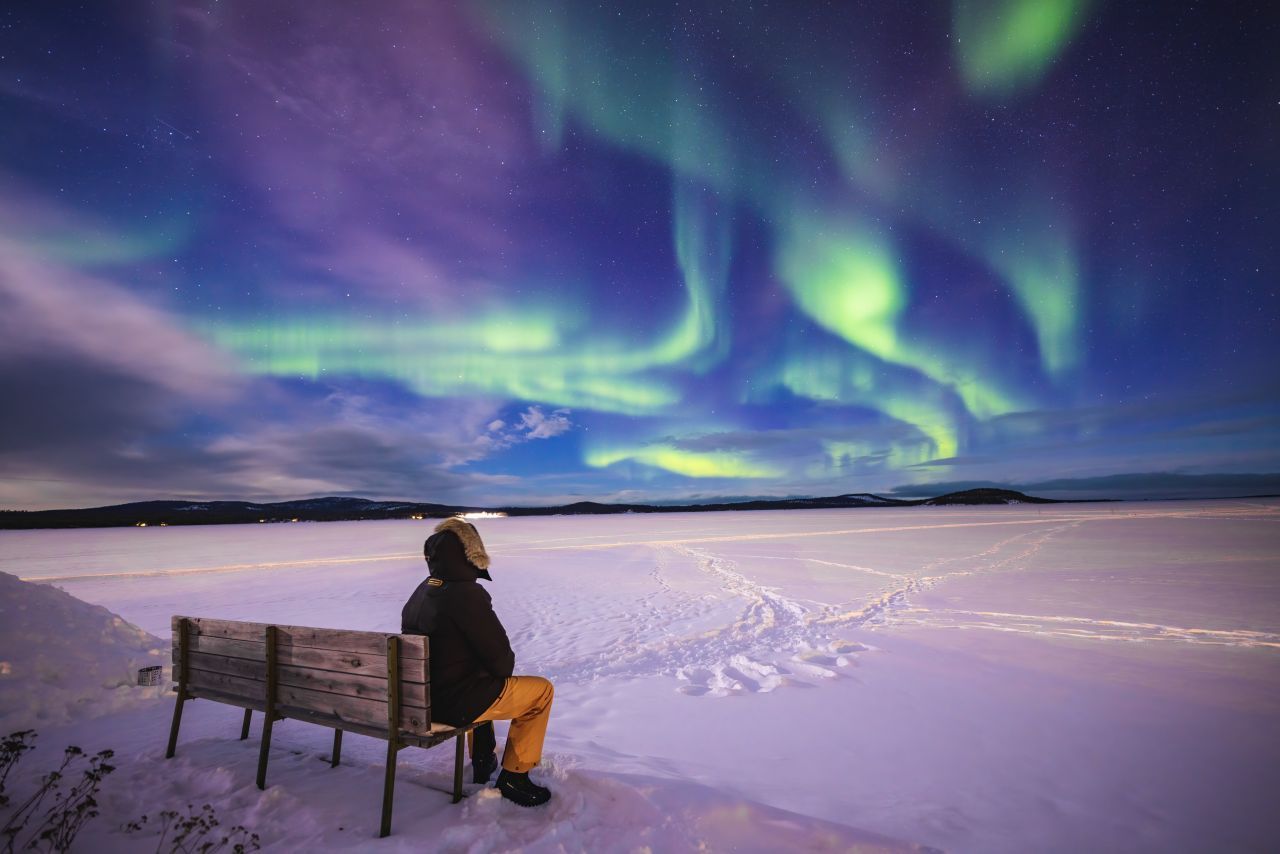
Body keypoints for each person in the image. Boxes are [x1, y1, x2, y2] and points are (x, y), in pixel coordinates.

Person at [401, 517, 555, 807]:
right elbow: (501, 660)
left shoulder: (421, 591)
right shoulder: (466, 594)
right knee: (541, 692)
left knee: (479, 682)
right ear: (471, 554)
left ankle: (483, 760)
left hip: (420, 698)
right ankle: (515, 777)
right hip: (452, 704)